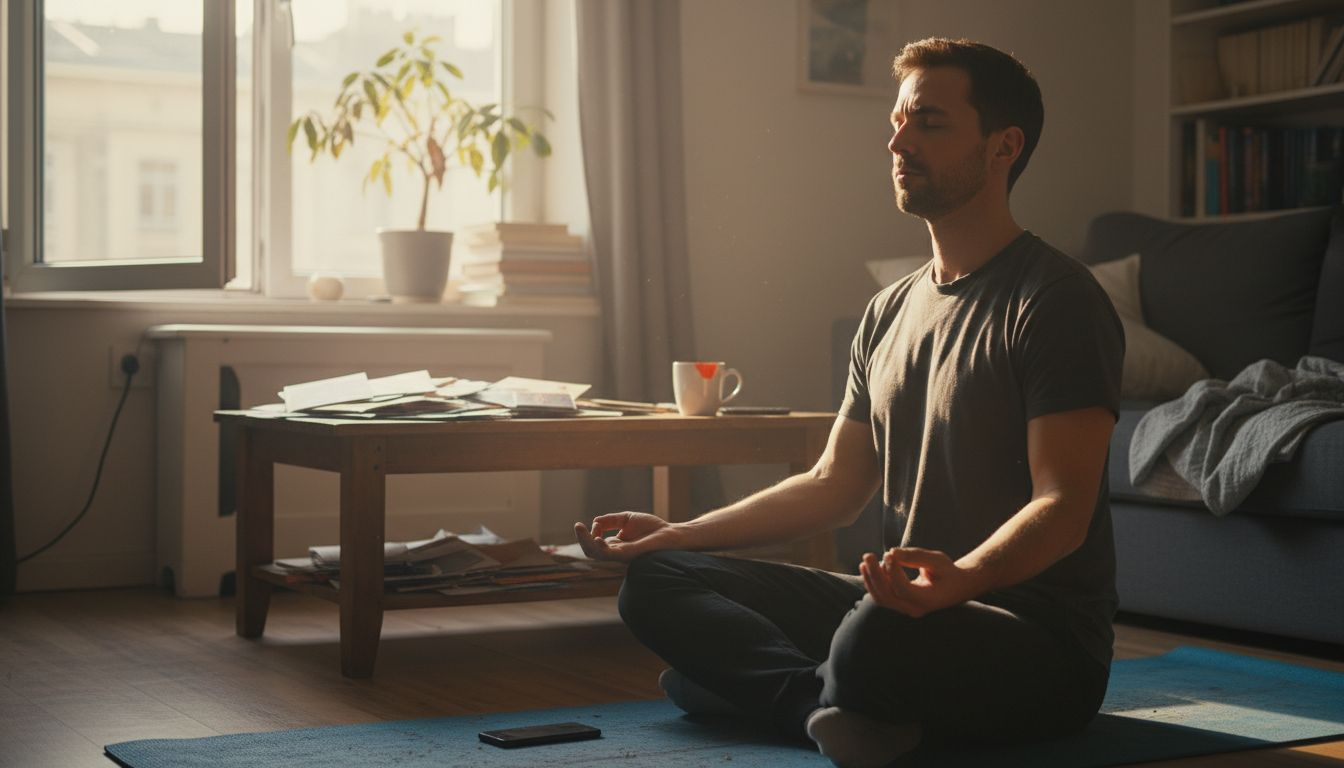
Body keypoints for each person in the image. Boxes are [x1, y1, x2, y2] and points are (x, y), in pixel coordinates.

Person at [574, 37, 1123, 768]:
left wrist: (963, 579)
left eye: (928, 122)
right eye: (898, 121)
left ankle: (772, 688)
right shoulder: (887, 311)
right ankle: (820, 705)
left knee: (873, 634)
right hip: (905, 607)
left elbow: (1063, 505)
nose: (898, 141)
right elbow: (834, 486)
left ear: (1003, 146)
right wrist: (675, 532)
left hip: (1029, 636)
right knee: (658, 581)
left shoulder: (1055, 300)